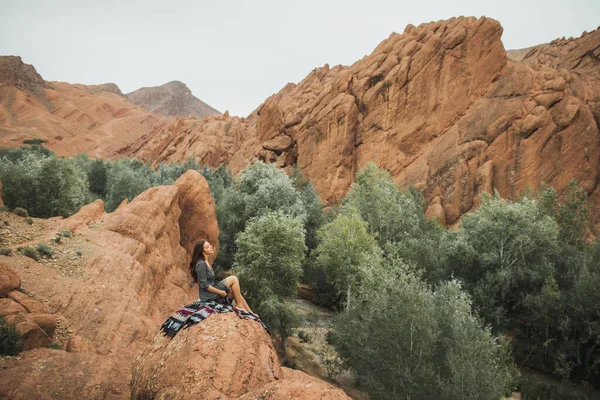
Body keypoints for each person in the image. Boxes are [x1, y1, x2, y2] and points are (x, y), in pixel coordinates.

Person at [189, 239, 254, 314]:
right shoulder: (201, 264)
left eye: (209, 245)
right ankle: (240, 306)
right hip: (208, 295)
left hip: (213, 290)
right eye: (207, 247)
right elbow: (203, 285)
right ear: (203, 252)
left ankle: (250, 312)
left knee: (236, 293)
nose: (210, 247)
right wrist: (220, 292)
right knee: (234, 278)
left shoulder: (206, 262)